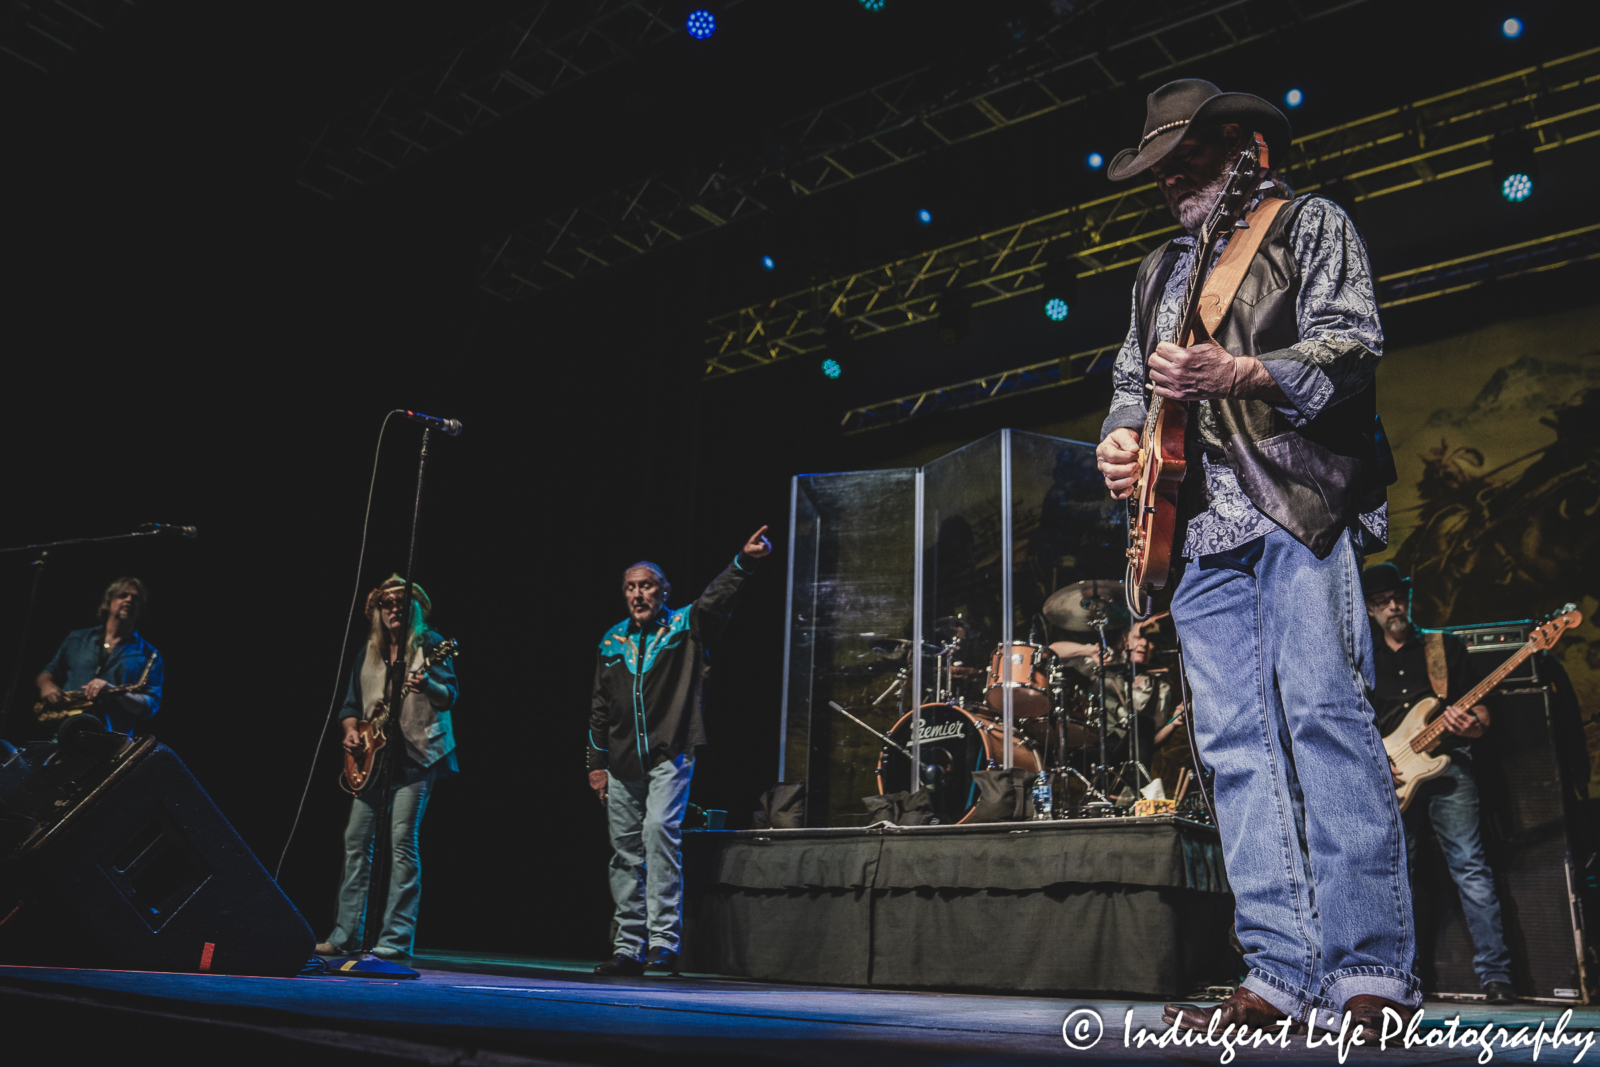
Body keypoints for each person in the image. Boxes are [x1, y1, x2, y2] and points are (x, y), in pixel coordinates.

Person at [1094, 78, 1417, 1038]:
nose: (1168, 178)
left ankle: (1369, 968)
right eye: (1156, 165)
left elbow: (1352, 350)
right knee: (1234, 750)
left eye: (1184, 156)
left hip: (1297, 503)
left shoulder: (1311, 223)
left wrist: (1241, 369)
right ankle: (1279, 968)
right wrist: (1120, 437)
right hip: (1193, 527)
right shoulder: (1156, 271)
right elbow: (1126, 377)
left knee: (1324, 718)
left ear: (1244, 149)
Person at [589, 527, 771, 977]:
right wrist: (595, 765)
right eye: (631, 587)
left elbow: (715, 600)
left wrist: (743, 561)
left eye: (646, 585)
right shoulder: (611, 642)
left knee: (658, 833)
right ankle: (628, 946)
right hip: (621, 760)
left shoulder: (685, 626)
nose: (638, 594)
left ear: (663, 590)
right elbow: (599, 706)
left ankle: (663, 942)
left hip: (671, 752)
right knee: (624, 852)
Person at [1363, 563, 1515, 1006]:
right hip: (1392, 775)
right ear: (1370, 609)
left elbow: (1483, 712)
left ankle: (1496, 976)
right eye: (1382, 601)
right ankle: (1402, 977)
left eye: (1397, 597)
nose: (1393, 606)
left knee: (1470, 866)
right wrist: (1376, 764)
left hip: (1450, 764)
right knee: (1399, 877)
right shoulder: (1363, 656)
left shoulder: (1442, 647)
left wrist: (1471, 727)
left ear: (1406, 597)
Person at [316, 575, 458, 961]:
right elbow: (350, 707)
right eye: (387, 603)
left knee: (401, 845)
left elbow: (449, 697)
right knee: (355, 842)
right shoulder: (369, 653)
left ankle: (395, 938)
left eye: (401, 602)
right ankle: (345, 934)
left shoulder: (429, 645)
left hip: (416, 758)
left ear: (413, 608)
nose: (394, 608)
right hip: (374, 761)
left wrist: (427, 684)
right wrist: (350, 733)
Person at [36, 576, 164, 733]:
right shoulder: (77, 638)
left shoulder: (149, 654)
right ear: (108, 601)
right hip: (65, 731)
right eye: (123, 595)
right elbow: (48, 672)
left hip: (113, 739)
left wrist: (113, 692)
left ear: (140, 609)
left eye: (136, 598)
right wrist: (46, 685)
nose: (129, 600)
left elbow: (149, 707)